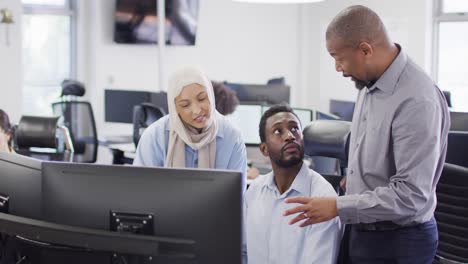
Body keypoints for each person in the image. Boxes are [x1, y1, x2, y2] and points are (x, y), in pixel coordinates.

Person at [283, 5, 450, 264]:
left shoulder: (417, 100)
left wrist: (337, 207)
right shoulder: (367, 83)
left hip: (399, 242)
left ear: (365, 50)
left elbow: (411, 195)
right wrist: (356, 179)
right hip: (361, 231)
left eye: (339, 58)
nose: (338, 68)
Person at [242, 104, 341, 264]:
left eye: (294, 129)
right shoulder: (254, 191)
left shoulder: (323, 197)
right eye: (278, 131)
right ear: (264, 149)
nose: (289, 136)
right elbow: (243, 251)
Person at [133, 66, 247, 180]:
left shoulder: (232, 136)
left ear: (211, 96)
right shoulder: (154, 137)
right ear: (175, 108)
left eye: (202, 98)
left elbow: (237, 193)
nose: (197, 111)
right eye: (185, 105)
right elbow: (140, 188)